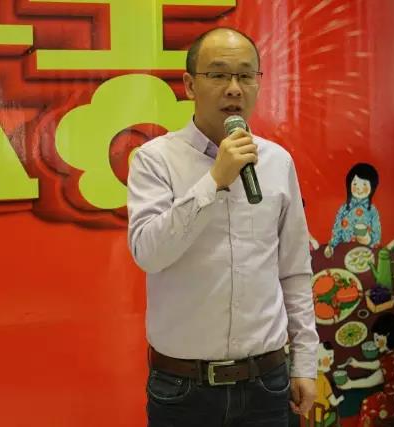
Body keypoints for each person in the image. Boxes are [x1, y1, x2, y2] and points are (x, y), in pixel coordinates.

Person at [127, 27, 318, 427]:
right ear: (189, 85)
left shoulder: (277, 162)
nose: (234, 88)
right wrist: (215, 179)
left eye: (246, 75)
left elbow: (294, 271)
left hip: (266, 382)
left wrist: (305, 363)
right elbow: (148, 253)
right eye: (218, 75)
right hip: (183, 388)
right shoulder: (154, 160)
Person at [336, 313, 394, 427]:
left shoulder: (392, 360)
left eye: (377, 339)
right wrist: (357, 364)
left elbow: (371, 381)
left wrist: (350, 384)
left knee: (367, 404)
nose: (376, 343)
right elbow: (376, 364)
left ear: (388, 335)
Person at [324, 163, 381, 258]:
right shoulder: (344, 208)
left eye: (364, 184)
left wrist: (368, 239)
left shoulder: (372, 210)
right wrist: (331, 246)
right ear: (349, 185)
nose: (359, 188)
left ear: (372, 187)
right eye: (355, 184)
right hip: (344, 252)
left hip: (365, 253)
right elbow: (337, 230)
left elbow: (377, 235)